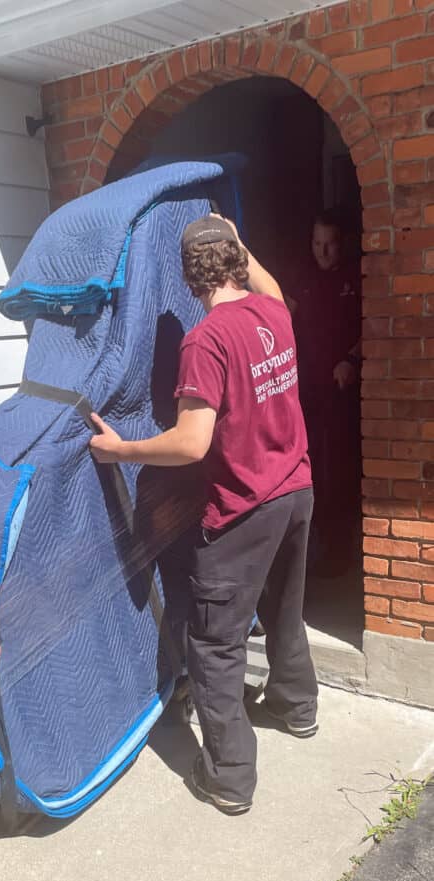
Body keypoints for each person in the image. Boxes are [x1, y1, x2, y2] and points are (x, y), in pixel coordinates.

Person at [90, 215, 318, 816]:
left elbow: (192, 443)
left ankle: (230, 778)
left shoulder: (207, 339)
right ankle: (296, 709)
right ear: (238, 259)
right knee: (284, 607)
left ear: (189, 275)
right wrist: (242, 241)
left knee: (216, 646)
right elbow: (266, 285)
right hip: (296, 491)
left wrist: (122, 450)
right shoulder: (274, 313)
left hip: (245, 507)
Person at [290, 210, 361, 576]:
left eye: (330, 244)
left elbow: (376, 325)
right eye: (317, 244)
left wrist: (351, 359)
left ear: (342, 243)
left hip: (341, 394)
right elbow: (283, 318)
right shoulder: (302, 279)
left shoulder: (357, 276)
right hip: (306, 395)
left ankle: (339, 555)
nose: (323, 251)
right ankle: (314, 553)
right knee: (309, 467)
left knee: (339, 472)